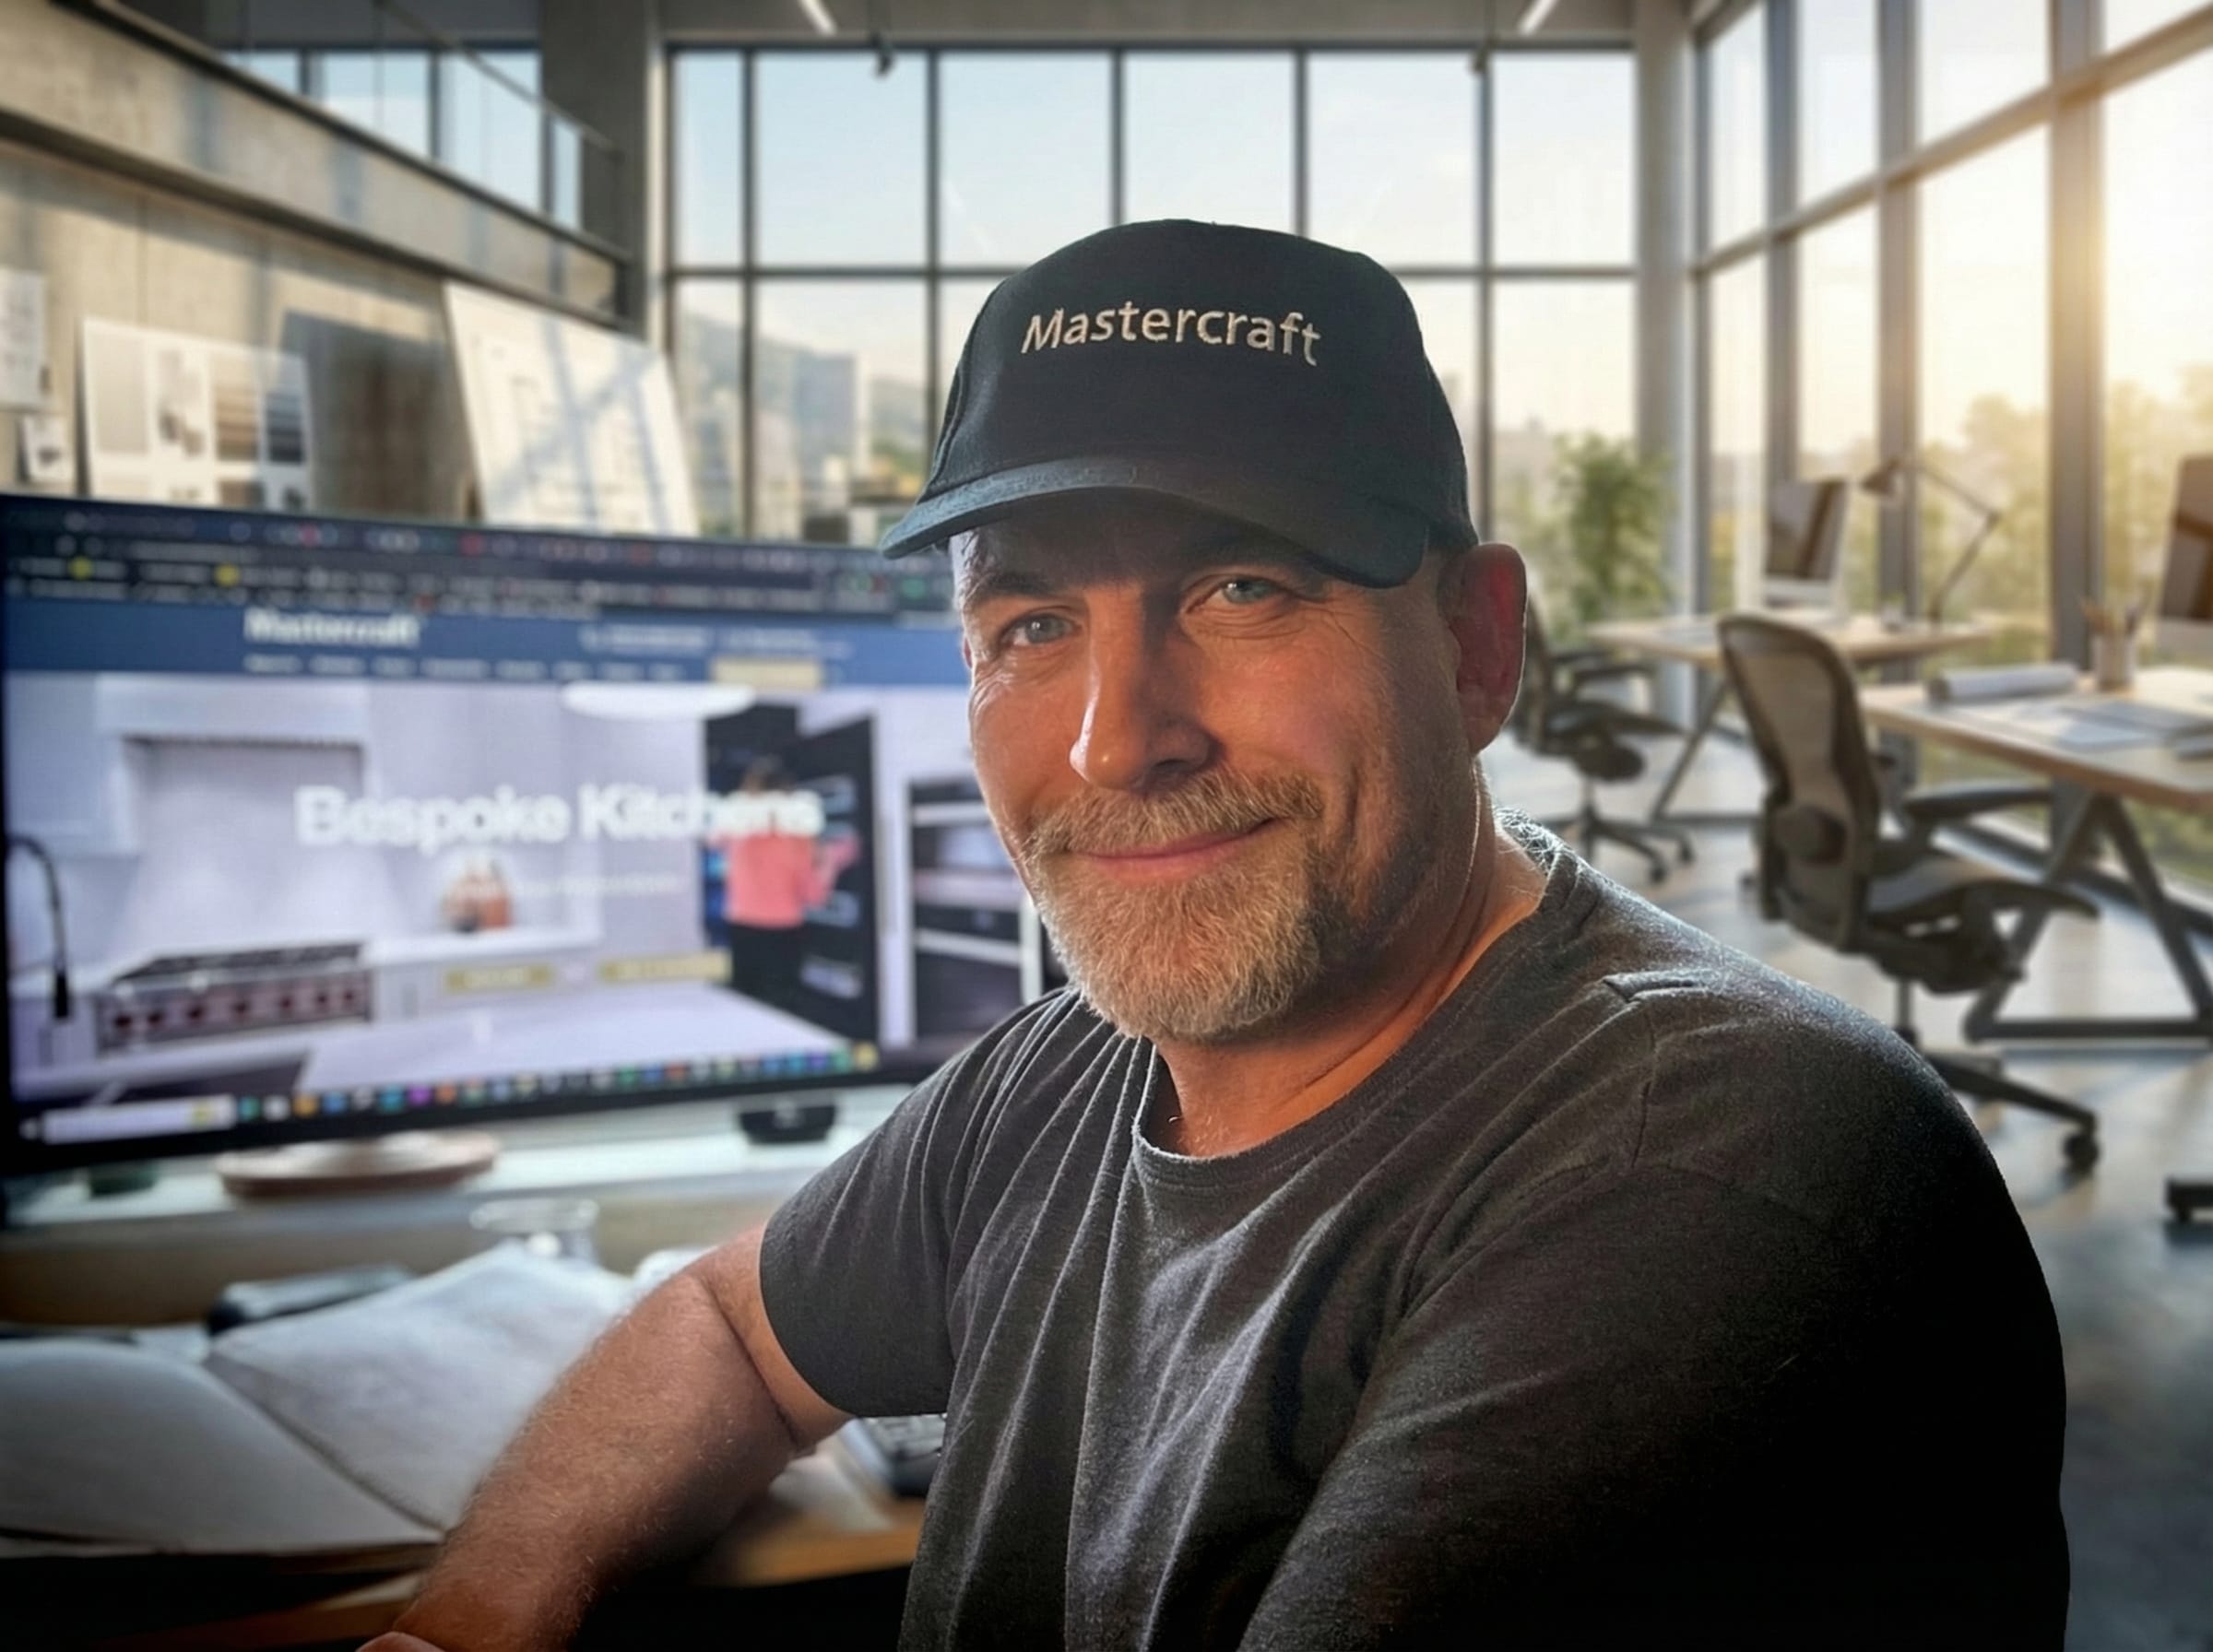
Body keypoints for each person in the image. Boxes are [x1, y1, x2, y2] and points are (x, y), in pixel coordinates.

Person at [368, 221, 2066, 1651]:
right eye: (1032, 623)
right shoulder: (1074, 1072)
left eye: (1243, 588)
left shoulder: (1709, 1174)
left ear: (1476, 649)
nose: (1119, 742)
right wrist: (471, 1620)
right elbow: (735, 1329)